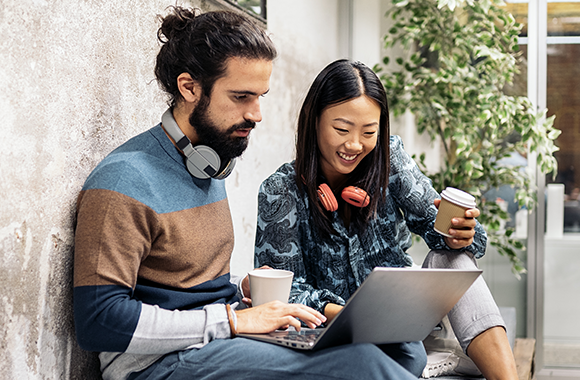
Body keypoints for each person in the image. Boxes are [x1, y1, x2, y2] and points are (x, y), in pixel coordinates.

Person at [73, 8, 427, 380]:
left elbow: (184, 287)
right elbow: (99, 321)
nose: (257, 114)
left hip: (219, 336)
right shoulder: (124, 180)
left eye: (260, 96)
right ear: (189, 88)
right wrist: (234, 320)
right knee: (362, 364)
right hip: (159, 363)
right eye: (242, 97)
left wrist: (242, 289)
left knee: (399, 347)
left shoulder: (206, 162)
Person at [254, 59, 519, 379]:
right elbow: (281, 293)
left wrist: (458, 233)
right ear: (313, 120)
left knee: (452, 258)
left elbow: (450, 232)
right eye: (341, 129)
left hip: (402, 321)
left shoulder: (390, 159)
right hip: (334, 330)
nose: (354, 145)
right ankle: (433, 357)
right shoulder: (280, 190)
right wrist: (355, 316)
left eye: (369, 132)